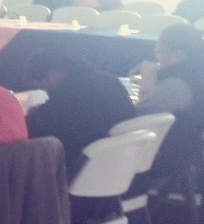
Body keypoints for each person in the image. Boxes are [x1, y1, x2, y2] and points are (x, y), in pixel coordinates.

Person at [24, 52, 135, 170]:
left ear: (52, 76)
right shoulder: (111, 82)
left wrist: (32, 114)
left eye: (43, 87)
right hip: (122, 166)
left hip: (81, 170)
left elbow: (29, 131)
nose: (46, 93)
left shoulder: (66, 101)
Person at [135, 24, 204, 179]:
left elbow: (137, 118)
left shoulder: (175, 86)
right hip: (189, 153)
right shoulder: (197, 73)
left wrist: (147, 83)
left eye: (159, 51)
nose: (157, 57)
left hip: (165, 161)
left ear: (178, 55)